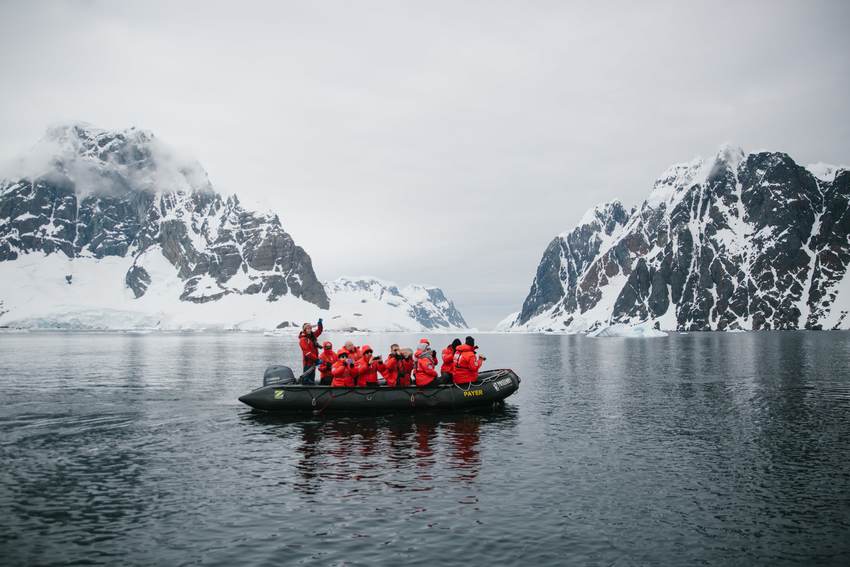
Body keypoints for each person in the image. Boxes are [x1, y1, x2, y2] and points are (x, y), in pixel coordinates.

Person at [298, 318, 323, 384]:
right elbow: (307, 353)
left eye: (310, 328)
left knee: (312, 379)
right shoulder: (303, 339)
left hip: (313, 362)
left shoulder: (312, 336)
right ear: (304, 329)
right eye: (308, 328)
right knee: (307, 380)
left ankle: (310, 392)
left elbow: (319, 331)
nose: (309, 330)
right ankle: (304, 392)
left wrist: (320, 324)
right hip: (308, 363)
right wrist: (317, 359)